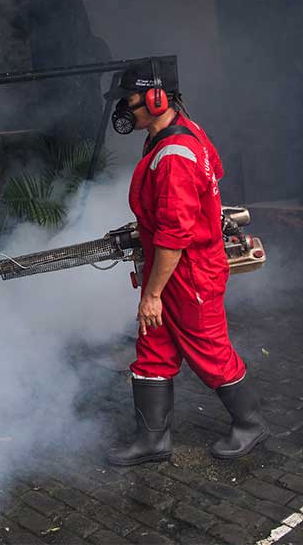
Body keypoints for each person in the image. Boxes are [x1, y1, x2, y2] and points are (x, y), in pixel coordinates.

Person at [104, 58, 268, 466]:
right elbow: (214, 172)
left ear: (157, 98)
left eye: (130, 100)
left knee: (209, 350)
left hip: (187, 271)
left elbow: (176, 236)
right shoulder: (177, 135)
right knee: (154, 346)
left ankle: (251, 424)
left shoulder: (175, 154)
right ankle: (153, 441)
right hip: (173, 266)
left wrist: (152, 294)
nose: (124, 109)